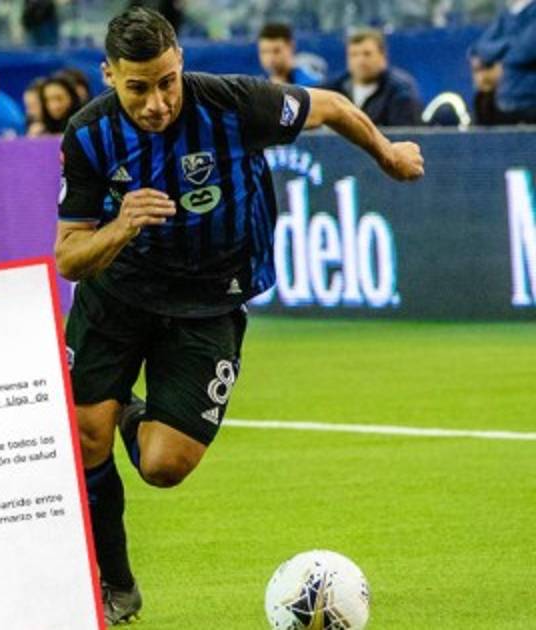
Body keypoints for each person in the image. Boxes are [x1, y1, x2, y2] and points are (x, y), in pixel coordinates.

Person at [54, 8, 423, 625]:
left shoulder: (231, 104)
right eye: (138, 87)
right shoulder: (89, 135)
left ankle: (126, 409)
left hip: (210, 301)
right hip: (116, 297)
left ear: (180, 63)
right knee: (84, 437)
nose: (157, 102)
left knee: (164, 467)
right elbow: (69, 256)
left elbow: (331, 106)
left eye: (167, 81)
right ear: (109, 75)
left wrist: (386, 155)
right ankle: (116, 585)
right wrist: (121, 226)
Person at [322, 29, 423, 127]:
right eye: (354, 55)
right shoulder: (330, 89)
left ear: (383, 57)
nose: (360, 61)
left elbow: (405, 133)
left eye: (367, 54)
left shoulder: (401, 91)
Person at [469, 0, 536, 124]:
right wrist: (508, 45)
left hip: (530, 103)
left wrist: (495, 54)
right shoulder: (508, 14)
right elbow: (477, 49)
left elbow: (524, 52)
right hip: (503, 103)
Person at [257, 22, 321, 87]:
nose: (270, 58)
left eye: (276, 51)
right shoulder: (259, 85)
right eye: (264, 51)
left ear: (291, 46)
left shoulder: (312, 85)